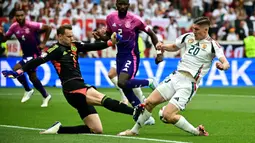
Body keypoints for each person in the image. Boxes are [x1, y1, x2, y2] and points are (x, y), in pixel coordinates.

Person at [2, 24, 135, 134]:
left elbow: (93, 46)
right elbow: (37, 60)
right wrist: (19, 71)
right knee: (104, 100)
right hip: (73, 87)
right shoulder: (55, 49)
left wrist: (112, 42)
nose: (71, 38)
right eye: (68, 36)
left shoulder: (74, 45)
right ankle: (135, 112)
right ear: (59, 36)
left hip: (77, 87)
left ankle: (59, 129)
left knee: (96, 129)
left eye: (72, 35)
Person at [118, 16, 230, 136]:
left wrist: (222, 66)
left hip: (188, 84)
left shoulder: (213, 45)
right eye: (193, 28)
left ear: (205, 30)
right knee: (149, 102)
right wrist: (163, 46)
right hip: (175, 77)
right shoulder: (188, 37)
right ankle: (134, 131)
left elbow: (226, 62)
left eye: (197, 29)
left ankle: (196, 132)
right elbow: (175, 47)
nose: (194, 31)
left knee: (167, 115)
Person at [93, 0, 163, 111]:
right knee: (123, 85)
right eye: (120, 4)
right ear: (116, 5)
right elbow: (109, 36)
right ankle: (140, 111)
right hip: (120, 55)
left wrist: (159, 52)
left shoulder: (135, 20)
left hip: (132, 56)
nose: (122, 6)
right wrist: (101, 37)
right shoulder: (110, 18)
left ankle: (149, 81)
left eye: (124, 4)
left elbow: (152, 34)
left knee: (122, 81)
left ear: (128, 5)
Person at [0, 9, 52, 107]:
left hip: (35, 54)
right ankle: (46, 95)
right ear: (15, 17)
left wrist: (43, 43)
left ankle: (28, 90)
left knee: (16, 69)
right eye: (17, 16)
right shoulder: (14, 27)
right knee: (33, 77)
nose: (20, 17)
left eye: (21, 15)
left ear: (25, 15)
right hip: (26, 55)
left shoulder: (32, 25)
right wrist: (1, 34)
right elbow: (4, 39)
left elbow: (48, 28)